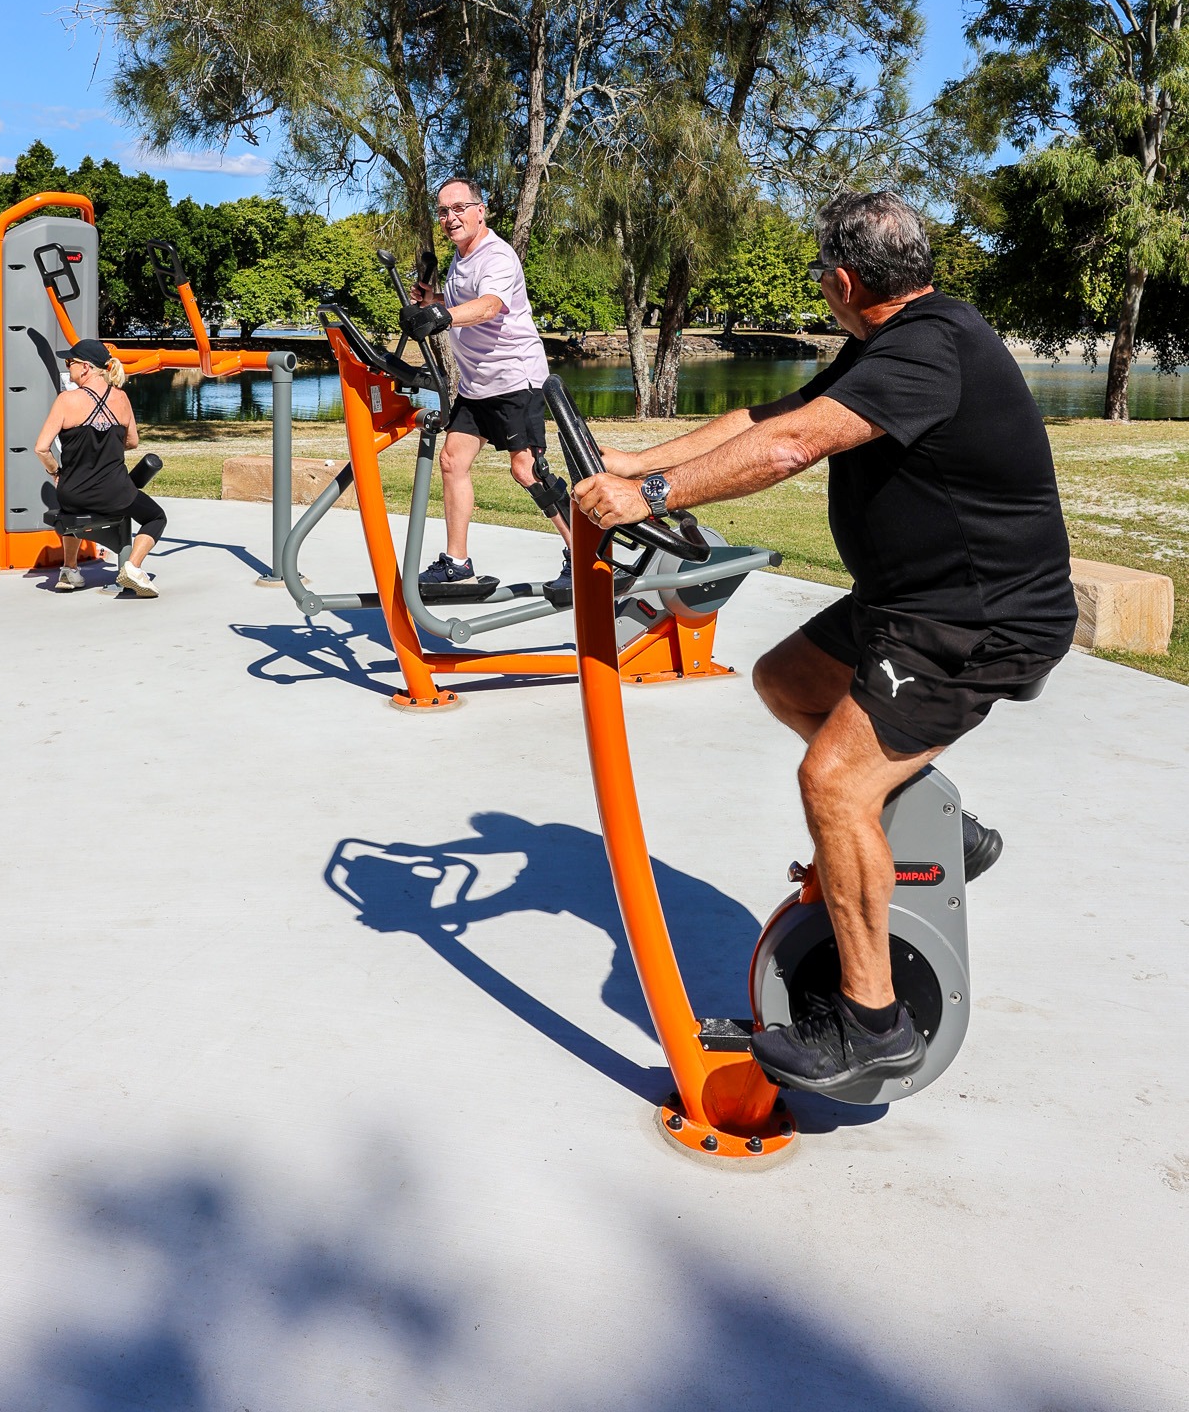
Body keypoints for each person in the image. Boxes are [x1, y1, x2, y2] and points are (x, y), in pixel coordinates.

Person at [573, 189, 1077, 1096]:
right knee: (784, 679)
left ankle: (873, 1023)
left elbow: (790, 448)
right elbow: (770, 416)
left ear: (843, 280)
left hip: (975, 621)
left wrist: (651, 503)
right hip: (911, 602)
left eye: (819, 275)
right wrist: (641, 464)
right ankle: (944, 829)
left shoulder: (930, 349)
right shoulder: (889, 341)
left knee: (833, 781)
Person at [398, 177, 569, 590]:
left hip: (514, 379)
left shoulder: (497, 256)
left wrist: (444, 318)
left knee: (527, 469)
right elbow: (460, 305)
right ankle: (457, 563)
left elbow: (491, 305)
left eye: (459, 208)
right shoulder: (460, 258)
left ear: (481, 210)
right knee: (452, 461)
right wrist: (433, 304)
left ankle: (588, 555)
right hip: (476, 385)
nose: (450, 218)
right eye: (443, 211)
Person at [33, 338, 166, 598]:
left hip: (72, 492)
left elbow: (41, 448)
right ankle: (133, 567)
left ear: (85, 367)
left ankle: (69, 570)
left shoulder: (66, 401)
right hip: (114, 494)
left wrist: (55, 473)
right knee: (156, 516)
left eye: (69, 362)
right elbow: (132, 442)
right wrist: (108, 447)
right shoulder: (122, 398)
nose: (67, 367)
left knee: (71, 508)